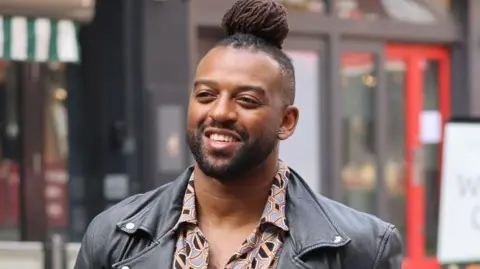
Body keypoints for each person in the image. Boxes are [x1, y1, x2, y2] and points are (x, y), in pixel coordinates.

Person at [74, 0, 403, 268]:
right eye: (206, 95)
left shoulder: (362, 249)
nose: (220, 113)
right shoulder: (115, 238)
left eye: (246, 100)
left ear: (286, 122)